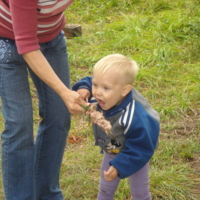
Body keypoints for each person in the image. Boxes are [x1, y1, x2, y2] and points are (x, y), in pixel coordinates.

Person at [0, 1, 88, 200]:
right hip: (5, 38)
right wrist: (65, 92)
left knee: (58, 117)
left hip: (52, 38)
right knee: (19, 124)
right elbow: (27, 44)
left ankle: (47, 194)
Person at [72, 54, 160, 200]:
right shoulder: (100, 94)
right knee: (105, 186)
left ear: (124, 91)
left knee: (140, 192)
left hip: (137, 153)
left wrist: (120, 165)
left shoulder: (135, 116)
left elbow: (142, 147)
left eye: (106, 88)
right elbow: (89, 80)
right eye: (95, 85)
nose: (97, 92)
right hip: (112, 148)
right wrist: (84, 88)